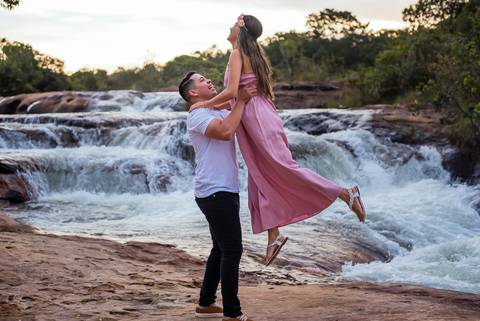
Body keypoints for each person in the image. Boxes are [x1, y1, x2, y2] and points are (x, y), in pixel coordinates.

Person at [189, 14, 367, 266]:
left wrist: (201, 105)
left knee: (283, 168)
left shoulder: (237, 53)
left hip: (257, 118)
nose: (228, 26)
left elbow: (230, 92)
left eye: (233, 24)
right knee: (259, 173)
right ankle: (274, 236)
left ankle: (345, 193)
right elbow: (236, 95)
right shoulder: (251, 53)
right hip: (253, 117)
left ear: (240, 30)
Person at [179, 71, 256, 321]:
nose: (208, 81)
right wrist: (241, 101)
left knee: (220, 249)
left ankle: (205, 303)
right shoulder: (198, 115)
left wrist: (241, 96)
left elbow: (232, 99)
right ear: (192, 92)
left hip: (225, 189)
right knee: (232, 250)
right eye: (202, 81)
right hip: (213, 191)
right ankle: (232, 313)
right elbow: (224, 132)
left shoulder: (216, 110)